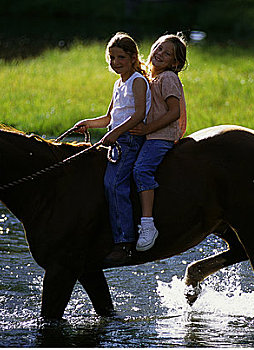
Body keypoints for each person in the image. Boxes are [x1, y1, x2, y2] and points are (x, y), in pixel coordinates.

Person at [73, 32, 151, 264]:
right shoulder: (118, 83)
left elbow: (138, 114)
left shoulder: (138, 81)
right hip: (117, 138)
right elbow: (109, 117)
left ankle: (125, 242)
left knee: (114, 183)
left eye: (121, 58)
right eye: (112, 58)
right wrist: (88, 123)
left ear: (133, 57)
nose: (116, 63)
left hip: (129, 140)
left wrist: (116, 133)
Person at [130, 33, 187, 252]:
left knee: (142, 170)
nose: (160, 54)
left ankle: (147, 224)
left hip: (161, 136)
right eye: (158, 48)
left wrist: (146, 129)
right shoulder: (150, 77)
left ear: (175, 62)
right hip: (148, 135)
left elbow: (173, 113)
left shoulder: (168, 78)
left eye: (168, 53)